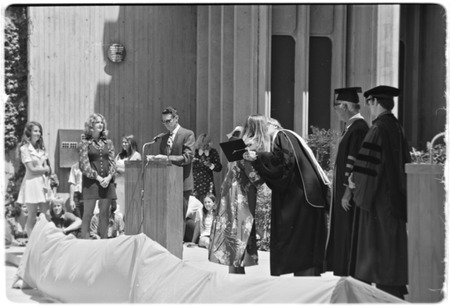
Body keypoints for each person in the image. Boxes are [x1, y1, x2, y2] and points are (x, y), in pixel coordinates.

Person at [348, 85, 410, 299]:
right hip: (394, 198)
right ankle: (394, 292)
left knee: (376, 250)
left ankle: (383, 296)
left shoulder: (378, 129)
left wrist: (355, 184)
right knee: (390, 249)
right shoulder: (395, 126)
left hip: (378, 201)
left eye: (369, 103)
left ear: (375, 102)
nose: (368, 108)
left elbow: (369, 168)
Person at [248, 117, 330, 276]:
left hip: (300, 199)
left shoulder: (282, 135)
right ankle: (307, 278)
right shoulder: (290, 137)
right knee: (306, 246)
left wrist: (258, 157)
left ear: (273, 125)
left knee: (300, 244)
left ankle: (304, 281)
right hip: (306, 197)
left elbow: (282, 165)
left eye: (264, 127)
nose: (263, 132)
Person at [209, 114, 272, 274]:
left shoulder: (241, 144)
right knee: (240, 233)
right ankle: (236, 277)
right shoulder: (251, 146)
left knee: (235, 233)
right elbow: (251, 173)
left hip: (231, 191)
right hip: (241, 195)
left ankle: (235, 273)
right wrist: (267, 183)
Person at [324, 87, 369, 277]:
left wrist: (347, 192)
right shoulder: (351, 128)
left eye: (337, 107)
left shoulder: (358, 129)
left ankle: (349, 274)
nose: (336, 111)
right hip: (343, 191)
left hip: (348, 193)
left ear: (346, 106)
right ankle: (343, 272)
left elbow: (355, 163)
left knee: (348, 232)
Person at [78, 113, 117, 239]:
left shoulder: (108, 143)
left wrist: (109, 177)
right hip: (91, 182)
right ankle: (85, 243)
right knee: (88, 214)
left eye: (102, 122)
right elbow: (84, 165)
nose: (100, 125)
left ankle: (104, 242)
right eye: (97, 122)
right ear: (91, 126)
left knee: (105, 213)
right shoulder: (85, 143)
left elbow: (113, 163)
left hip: (107, 181)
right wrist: (99, 178)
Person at [155, 106, 195, 221]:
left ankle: (178, 240)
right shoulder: (163, 137)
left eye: (168, 121)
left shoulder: (187, 134)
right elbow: (162, 158)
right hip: (166, 183)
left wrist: (166, 158)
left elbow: (188, 157)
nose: (166, 124)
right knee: (167, 217)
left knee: (178, 217)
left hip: (182, 182)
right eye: (163, 122)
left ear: (176, 118)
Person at [16, 121, 52, 237]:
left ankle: (43, 240)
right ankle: (31, 242)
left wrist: (47, 171)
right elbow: (31, 169)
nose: (38, 133)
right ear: (29, 132)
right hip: (31, 184)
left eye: (39, 131)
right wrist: (45, 169)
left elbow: (48, 167)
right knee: (32, 215)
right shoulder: (24, 149)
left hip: (43, 184)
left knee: (46, 214)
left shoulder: (42, 150)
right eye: (35, 131)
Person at [114, 134, 142, 218]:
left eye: (126, 142)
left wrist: (118, 170)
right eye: (123, 142)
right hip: (118, 185)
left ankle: (128, 230)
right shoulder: (119, 155)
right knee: (118, 209)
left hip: (130, 186)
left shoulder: (136, 155)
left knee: (128, 210)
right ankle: (120, 229)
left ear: (131, 143)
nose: (124, 144)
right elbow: (112, 168)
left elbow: (132, 173)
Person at [192, 133, 222, 201]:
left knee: (208, 202)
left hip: (208, 183)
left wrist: (210, 165)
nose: (203, 147)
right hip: (195, 183)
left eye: (205, 145)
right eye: (201, 145)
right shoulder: (194, 152)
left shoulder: (212, 152)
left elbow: (219, 167)